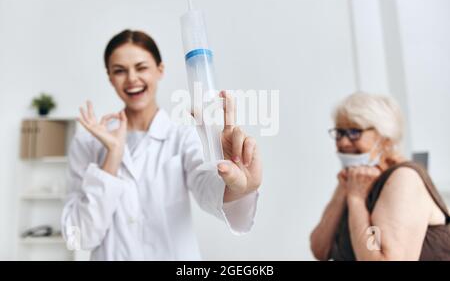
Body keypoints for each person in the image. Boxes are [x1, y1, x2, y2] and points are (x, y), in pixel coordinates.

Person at [61, 30, 262, 260]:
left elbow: (208, 189)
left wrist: (239, 185)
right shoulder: (87, 142)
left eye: (141, 67)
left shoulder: (182, 135)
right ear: (109, 77)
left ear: (160, 70)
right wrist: (113, 157)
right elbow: (81, 236)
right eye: (119, 71)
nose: (132, 78)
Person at [310, 92, 450, 261]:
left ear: (386, 139)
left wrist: (356, 199)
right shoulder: (355, 179)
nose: (343, 142)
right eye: (339, 133)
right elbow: (320, 250)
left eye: (354, 132)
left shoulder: (404, 178)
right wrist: (344, 190)